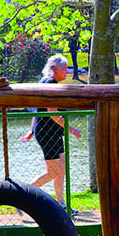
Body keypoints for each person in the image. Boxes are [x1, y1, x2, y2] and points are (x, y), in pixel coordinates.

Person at [20, 54, 81, 210]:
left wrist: (31, 130)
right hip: (48, 134)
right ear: (55, 69)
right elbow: (52, 113)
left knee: (60, 171)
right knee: (55, 172)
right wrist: (72, 129)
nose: (67, 72)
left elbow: (37, 110)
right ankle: (21, 196)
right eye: (65, 68)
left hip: (51, 132)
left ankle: (61, 205)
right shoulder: (51, 83)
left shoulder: (44, 82)